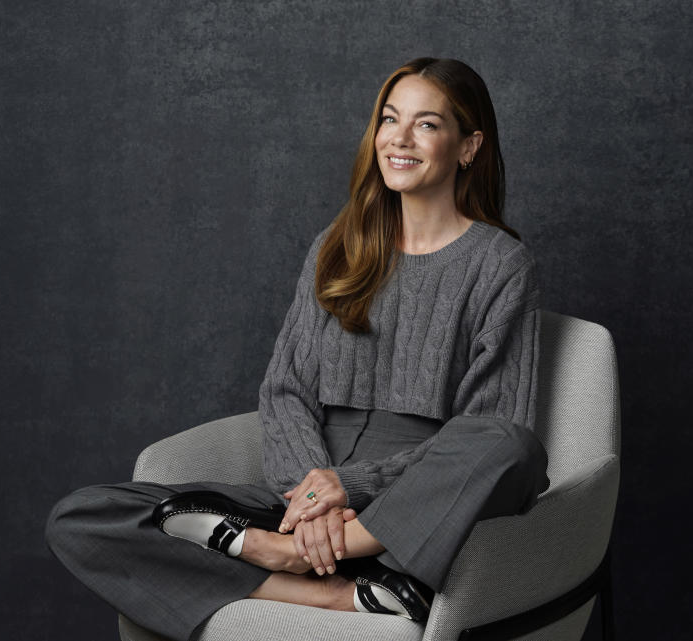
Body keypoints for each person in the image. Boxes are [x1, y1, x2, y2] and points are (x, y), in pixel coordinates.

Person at [45, 56, 550, 641]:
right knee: (83, 517)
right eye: (390, 119)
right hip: (303, 489)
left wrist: (352, 492)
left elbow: (488, 428)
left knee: (510, 442)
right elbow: (285, 391)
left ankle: (327, 552)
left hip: (418, 499)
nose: (400, 139)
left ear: (469, 146)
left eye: (428, 124)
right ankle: (321, 584)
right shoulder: (339, 246)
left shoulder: (501, 265)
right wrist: (312, 496)